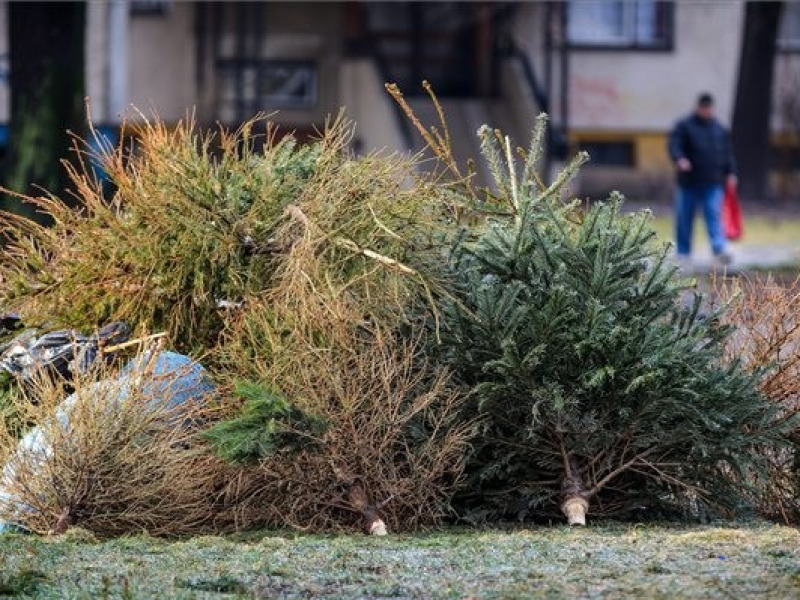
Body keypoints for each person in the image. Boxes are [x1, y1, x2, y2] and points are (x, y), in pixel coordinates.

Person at [668, 93, 737, 267]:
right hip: (688, 182)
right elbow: (674, 145)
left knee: (714, 214)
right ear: (698, 107)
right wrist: (679, 159)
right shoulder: (684, 126)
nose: (706, 111)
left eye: (709, 108)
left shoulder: (719, 129)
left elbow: (727, 153)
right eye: (704, 107)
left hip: (713, 182)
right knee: (684, 217)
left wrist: (731, 172)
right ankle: (683, 253)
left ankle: (719, 249)